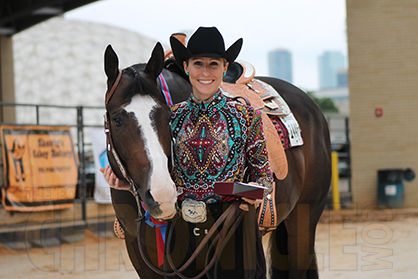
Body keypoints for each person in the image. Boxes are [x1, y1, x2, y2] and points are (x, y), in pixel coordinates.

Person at [102, 26, 273, 278]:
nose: (205, 72)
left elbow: (265, 179)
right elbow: (165, 174)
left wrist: (245, 192)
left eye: (214, 64)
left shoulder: (248, 116)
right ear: (186, 67)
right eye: (198, 64)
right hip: (184, 232)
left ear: (225, 68)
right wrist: (127, 186)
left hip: (234, 230)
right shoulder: (172, 117)